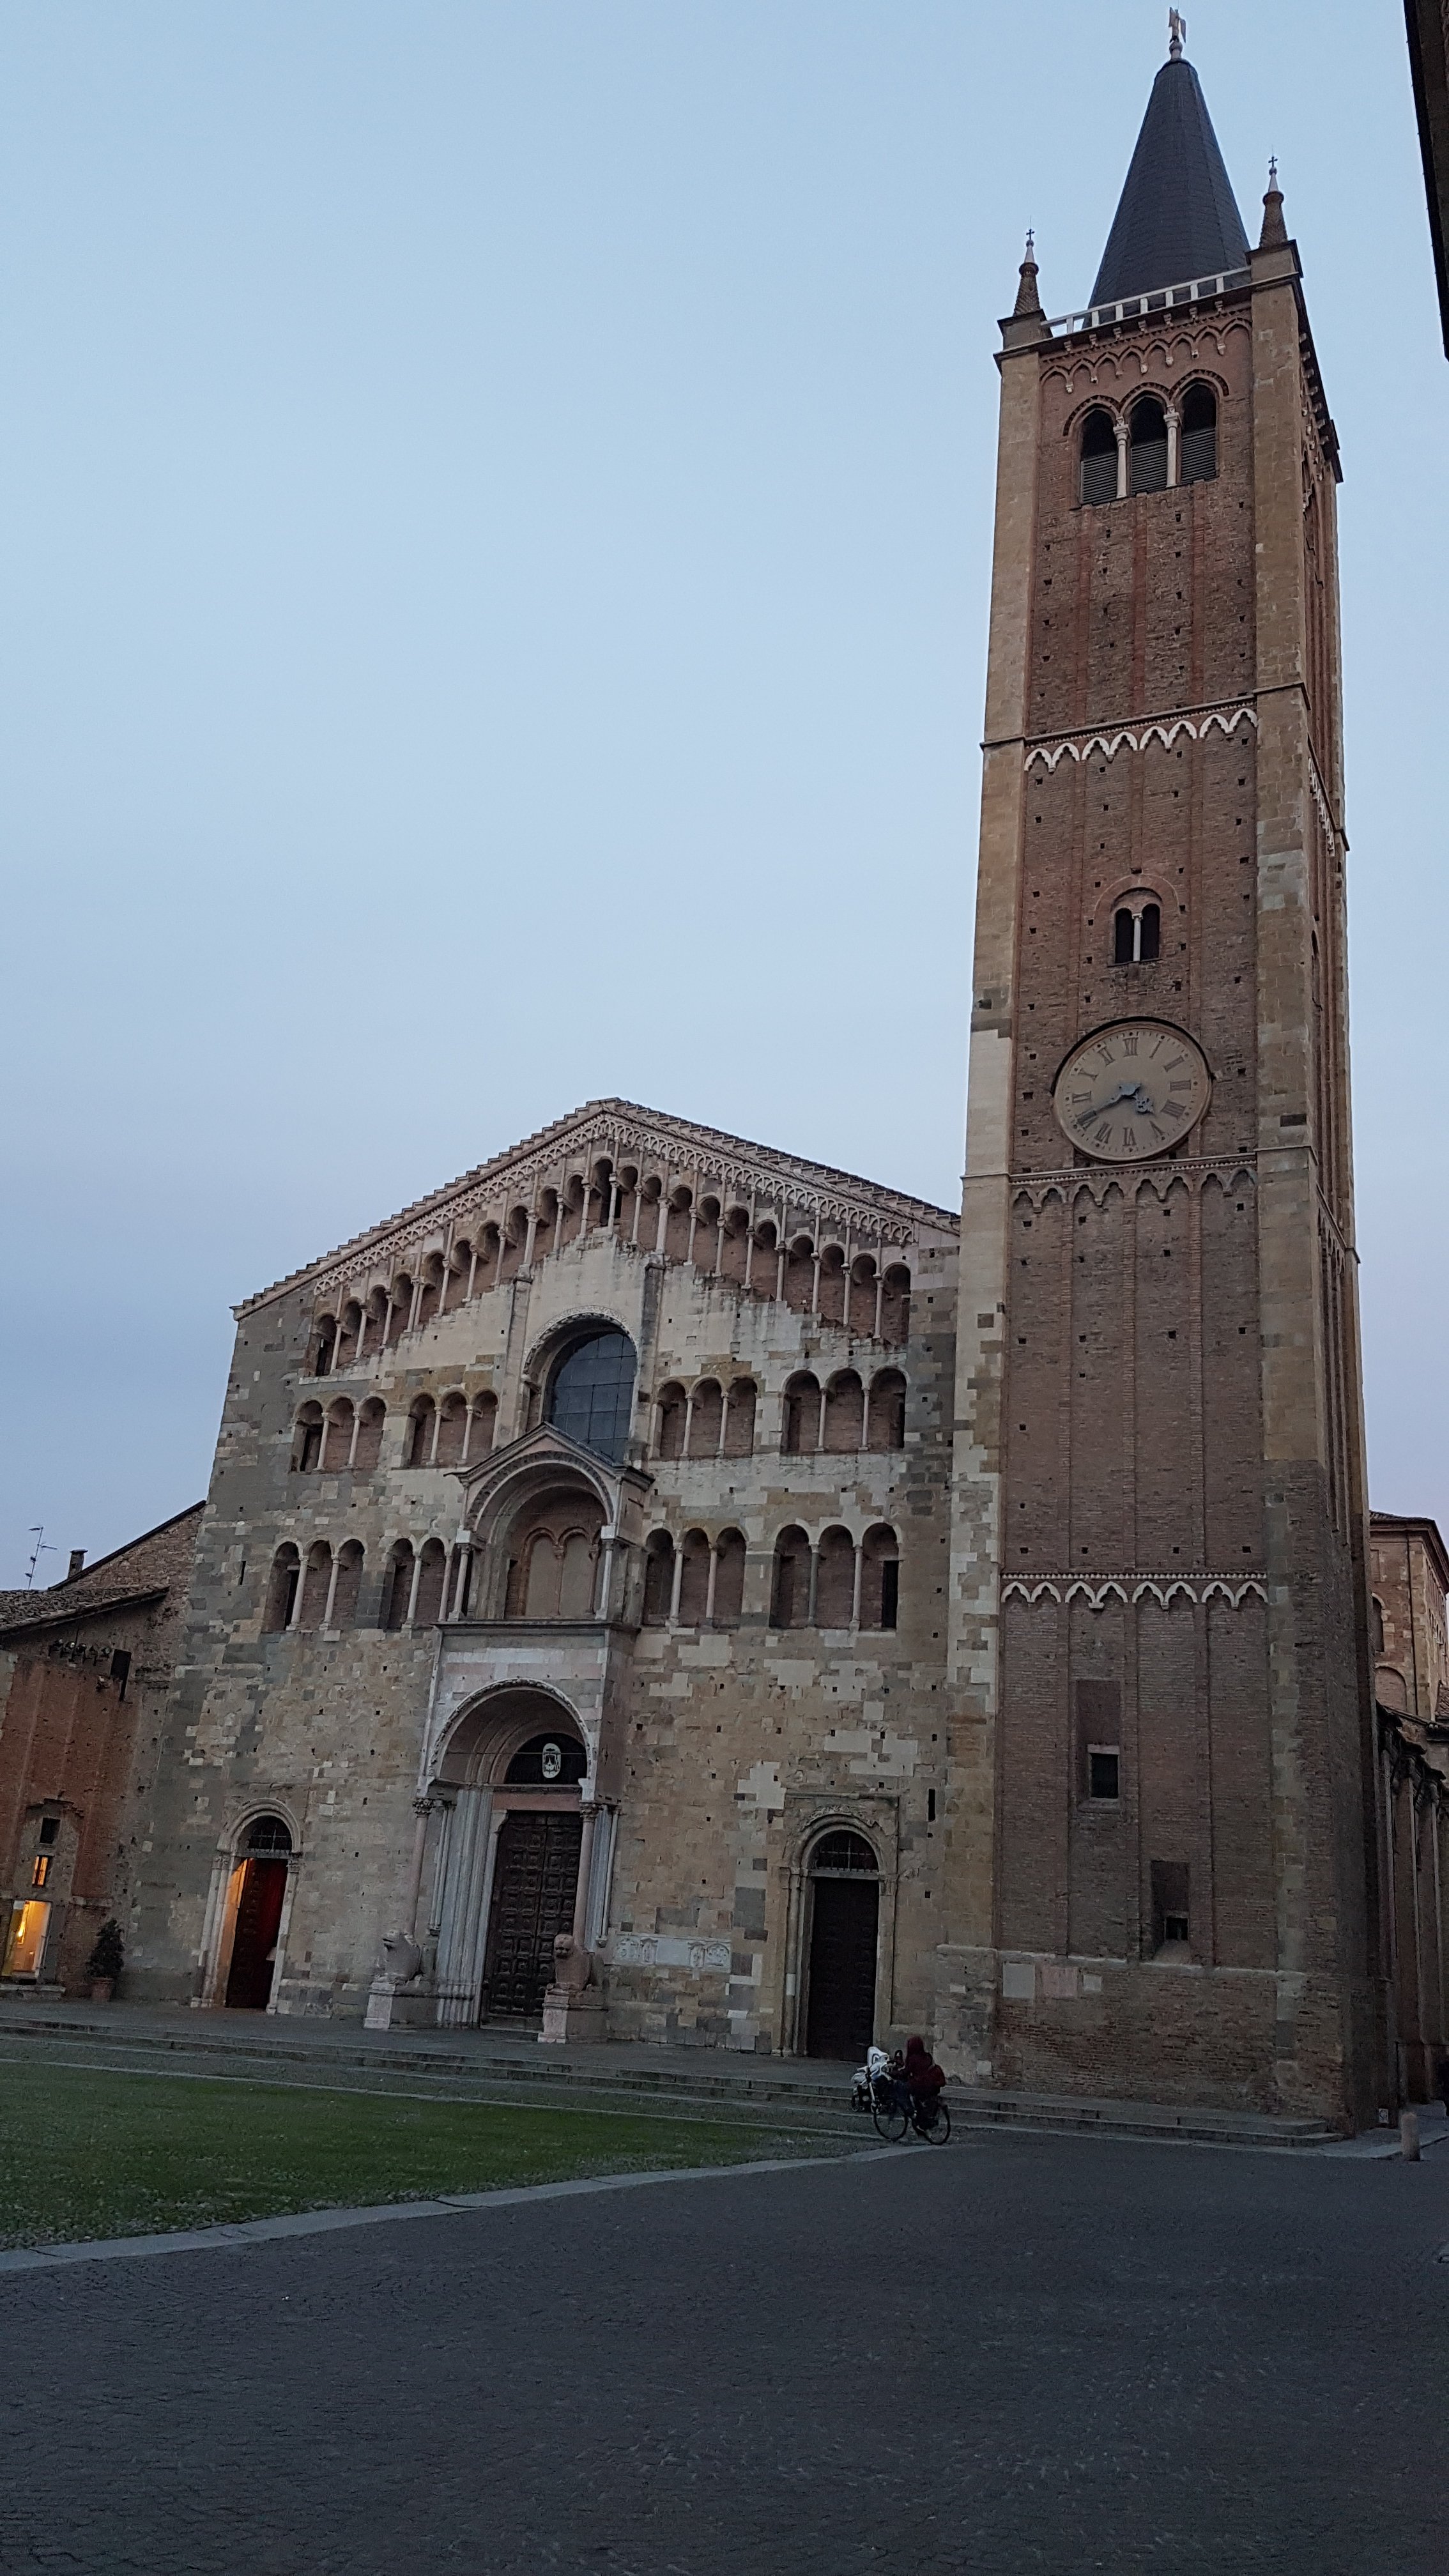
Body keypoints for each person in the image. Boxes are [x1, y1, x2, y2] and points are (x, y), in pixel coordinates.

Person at [897, 2034, 946, 2124]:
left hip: (920, 2085)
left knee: (901, 2087)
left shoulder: (913, 2059)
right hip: (931, 2085)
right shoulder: (928, 2056)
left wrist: (895, 2073)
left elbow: (906, 2072)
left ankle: (909, 2110)